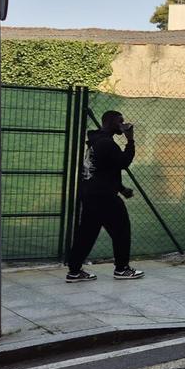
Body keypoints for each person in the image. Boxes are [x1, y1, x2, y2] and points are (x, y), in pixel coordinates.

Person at [66, 110, 144, 281]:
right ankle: (122, 269)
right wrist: (130, 139)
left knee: (86, 234)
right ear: (109, 123)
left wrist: (121, 188)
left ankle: (74, 271)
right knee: (122, 231)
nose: (123, 124)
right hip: (104, 197)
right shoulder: (107, 144)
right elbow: (123, 163)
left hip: (91, 194)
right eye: (120, 121)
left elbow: (104, 170)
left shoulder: (96, 142)